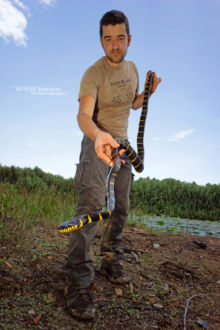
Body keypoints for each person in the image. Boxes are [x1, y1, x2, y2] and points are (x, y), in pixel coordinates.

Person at [66, 10, 162, 320]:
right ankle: (78, 281)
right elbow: (83, 115)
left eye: (120, 38)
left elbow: (131, 103)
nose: (114, 45)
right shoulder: (93, 74)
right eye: (108, 39)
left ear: (129, 39)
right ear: (101, 41)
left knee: (120, 207)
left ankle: (110, 258)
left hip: (124, 149)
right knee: (92, 209)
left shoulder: (133, 68)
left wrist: (146, 95)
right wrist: (97, 136)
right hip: (97, 144)